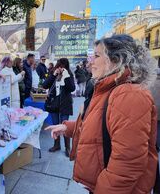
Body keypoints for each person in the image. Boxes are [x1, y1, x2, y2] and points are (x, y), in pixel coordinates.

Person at [45, 34, 158, 193]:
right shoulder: (109, 88)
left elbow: (126, 166)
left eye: (96, 56)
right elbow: (98, 124)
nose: (90, 62)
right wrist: (67, 128)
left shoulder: (129, 95)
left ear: (117, 60)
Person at [42, 58, 75, 156]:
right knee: (55, 125)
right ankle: (56, 145)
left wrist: (66, 76)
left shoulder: (69, 75)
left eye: (63, 67)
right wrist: (53, 75)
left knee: (65, 125)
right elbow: (45, 85)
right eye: (59, 66)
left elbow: (72, 88)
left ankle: (67, 148)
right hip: (53, 104)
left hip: (65, 105)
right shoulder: (53, 73)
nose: (61, 68)